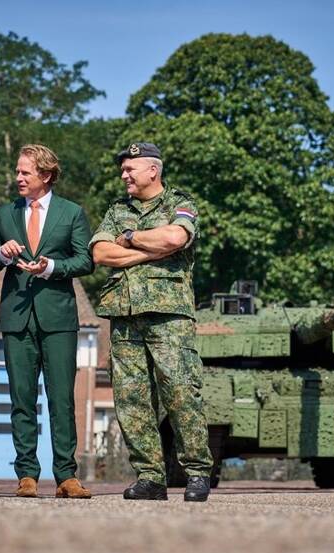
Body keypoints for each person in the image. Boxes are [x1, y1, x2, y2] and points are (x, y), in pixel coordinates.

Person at [90, 142, 213, 502]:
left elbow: (176, 236)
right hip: (124, 314)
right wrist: (150, 250)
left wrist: (128, 240)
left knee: (180, 392)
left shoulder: (180, 204)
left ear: (152, 171)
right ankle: (150, 477)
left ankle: (196, 472)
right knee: (131, 399)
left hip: (169, 314)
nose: (124, 175)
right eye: (123, 170)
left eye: (130, 169)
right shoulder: (117, 209)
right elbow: (99, 252)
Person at [0, 144, 94, 499]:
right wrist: (1, 253)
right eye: (18, 171)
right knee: (21, 399)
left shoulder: (71, 213)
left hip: (58, 318)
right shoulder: (4, 214)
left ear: (45, 175)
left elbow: (85, 261)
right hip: (16, 318)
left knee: (62, 400)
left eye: (24, 172)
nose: (18, 178)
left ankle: (66, 476)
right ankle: (26, 475)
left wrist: (52, 268)